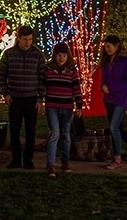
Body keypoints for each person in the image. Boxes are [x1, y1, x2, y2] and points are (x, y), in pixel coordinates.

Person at [0, 25, 46, 170]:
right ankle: (16, 158)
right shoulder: (9, 54)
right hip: (15, 97)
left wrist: (40, 99)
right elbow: (2, 75)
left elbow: (43, 78)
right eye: (25, 39)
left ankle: (28, 159)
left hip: (31, 98)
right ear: (18, 38)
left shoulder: (38, 55)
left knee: (31, 130)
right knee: (14, 130)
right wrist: (5, 93)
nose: (28, 42)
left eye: (30, 39)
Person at [101, 35, 127, 169]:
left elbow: (126, 81)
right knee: (117, 128)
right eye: (105, 47)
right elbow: (104, 77)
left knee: (113, 127)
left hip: (121, 99)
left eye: (109, 46)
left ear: (117, 46)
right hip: (109, 99)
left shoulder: (126, 60)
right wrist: (103, 86)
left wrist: (111, 88)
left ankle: (117, 158)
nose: (107, 49)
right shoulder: (107, 61)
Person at [43, 42, 83, 178]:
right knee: (55, 133)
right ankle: (51, 164)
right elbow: (43, 86)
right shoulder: (48, 69)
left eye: (64, 56)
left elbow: (76, 88)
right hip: (52, 106)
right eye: (59, 56)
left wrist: (79, 105)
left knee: (66, 134)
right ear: (55, 56)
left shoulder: (72, 70)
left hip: (67, 107)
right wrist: (40, 100)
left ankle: (65, 161)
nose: (61, 59)